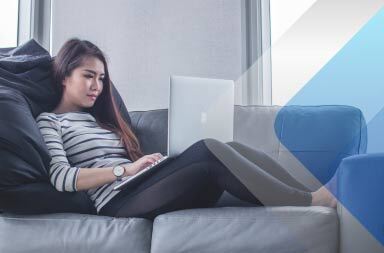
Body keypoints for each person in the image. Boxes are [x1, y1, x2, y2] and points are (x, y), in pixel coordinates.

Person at [36, 38, 337, 220]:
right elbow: (61, 178)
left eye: (102, 79)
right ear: (64, 75)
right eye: (89, 76)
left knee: (226, 146)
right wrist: (124, 171)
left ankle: (307, 193)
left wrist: (148, 166)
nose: (97, 86)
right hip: (116, 202)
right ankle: (309, 201)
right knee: (208, 149)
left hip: (140, 187)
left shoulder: (100, 120)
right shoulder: (50, 121)